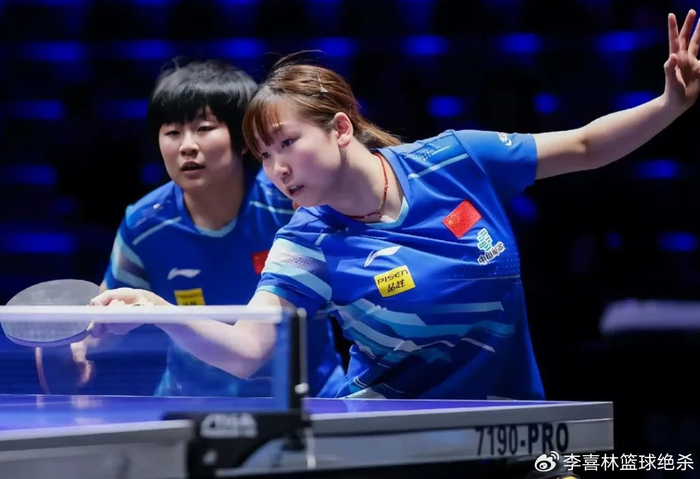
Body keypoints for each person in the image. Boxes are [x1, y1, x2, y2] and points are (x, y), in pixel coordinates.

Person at [91, 10, 700, 399]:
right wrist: (160, 311)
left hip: (512, 425)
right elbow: (248, 351)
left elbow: (586, 145)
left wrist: (668, 105)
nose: (276, 169)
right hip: (393, 441)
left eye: (287, 144)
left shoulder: (455, 161)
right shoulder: (305, 241)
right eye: (264, 155)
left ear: (340, 128)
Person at [80, 59, 345, 397]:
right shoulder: (144, 224)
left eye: (204, 128)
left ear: (244, 140)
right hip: (191, 403)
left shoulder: (290, 206)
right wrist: (79, 343)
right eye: (173, 132)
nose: (187, 145)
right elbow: (105, 324)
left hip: (308, 400)